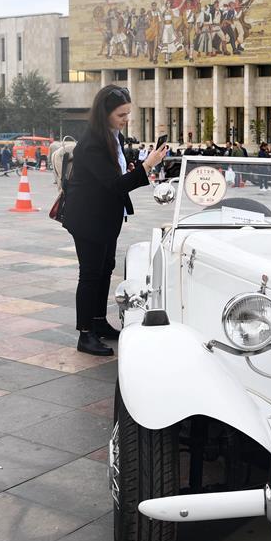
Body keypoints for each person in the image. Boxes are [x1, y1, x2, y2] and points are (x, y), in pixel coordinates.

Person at [62, 85, 166, 356]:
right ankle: (85, 334)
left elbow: (114, 178)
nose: (125, 119)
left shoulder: (114, 137)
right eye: (121, 114)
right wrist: (147, 165)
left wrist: (130, 169)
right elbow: (114, 185)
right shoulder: (92, 144)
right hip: (88, 218)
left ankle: (98, 322)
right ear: (105, 113)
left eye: (128, 113)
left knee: (106, 268)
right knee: (90, 273)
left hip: (107, 215)